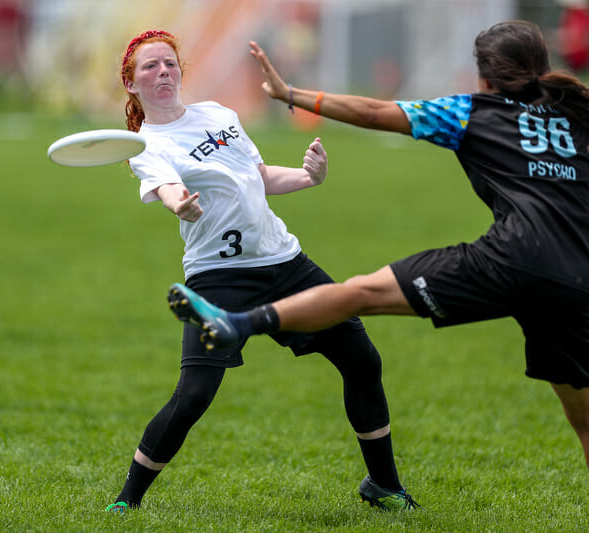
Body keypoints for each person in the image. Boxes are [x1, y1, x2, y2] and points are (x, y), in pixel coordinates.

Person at [168, 20, 589, 471]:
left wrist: (290, 94)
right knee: (584, 426)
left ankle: (239, 322)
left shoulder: (471, 111)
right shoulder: (581, 113)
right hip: (578, 277)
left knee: (360, 293)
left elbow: (372, 112)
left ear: (485, 75)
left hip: (510, 259)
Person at [105, 30, 419, 514]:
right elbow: (167, 187)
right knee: (194, 396)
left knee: (362, 359)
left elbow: (257, 176)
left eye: (169, 63)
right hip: (219, 278)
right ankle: (127, 501)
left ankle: (384, 485)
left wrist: (307, 177)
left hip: (284, 262)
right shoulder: (145, 143)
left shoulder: (219, 115)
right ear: (131, 83)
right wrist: (180, 205)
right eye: (149, 67)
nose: (163, 72)